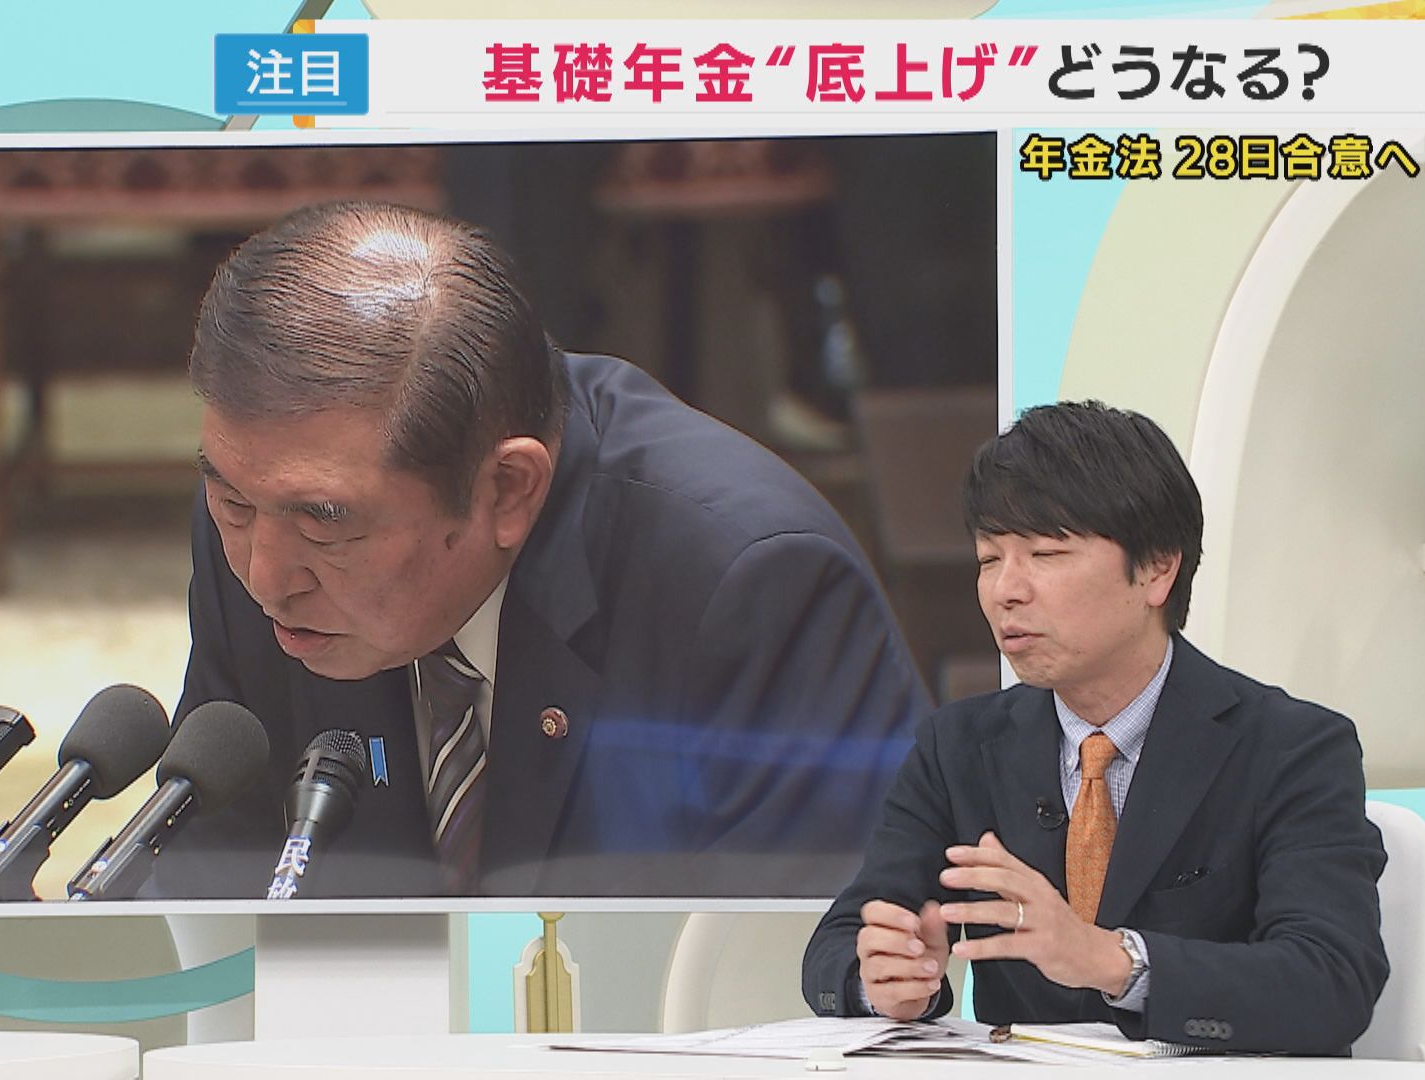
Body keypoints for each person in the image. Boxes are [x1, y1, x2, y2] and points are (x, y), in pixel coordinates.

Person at [151, 200, 929, 899]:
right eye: (231, 500)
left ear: (508, 490)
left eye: (326, 520)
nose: (266, 577)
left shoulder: (749, 584)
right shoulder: (264, 515)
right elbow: (211, 899)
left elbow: (820, 968)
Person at [801, 400, 1389, 1054]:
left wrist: (1113, 961)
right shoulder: (957, 746)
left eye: (1046, 553)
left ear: (1158, 568)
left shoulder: (1292, 748)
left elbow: (1332, 980)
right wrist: (883, 980)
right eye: (989, 558)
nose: (1006, 590)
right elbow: (839, 943)